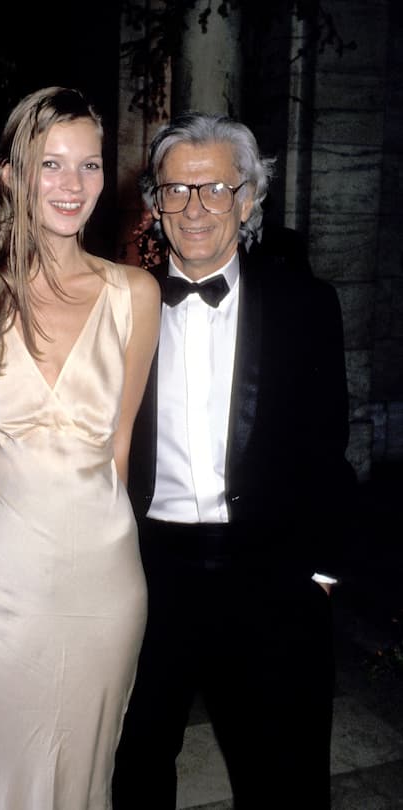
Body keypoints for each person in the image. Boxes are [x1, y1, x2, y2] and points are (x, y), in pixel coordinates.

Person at [112, 112, 357, 809]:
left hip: (270, 572)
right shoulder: (120, 307)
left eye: (215, 189)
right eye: (176, 191)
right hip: (147, 570)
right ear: (155, 203)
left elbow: (326, 447)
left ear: (248, 199)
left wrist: (324, 573)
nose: (195, 210)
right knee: (135, 764)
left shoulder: (306, 305)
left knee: (284, 773)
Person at [0, 85, 160, 810]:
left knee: (84, 778)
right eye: (50, 164)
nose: (72, 185)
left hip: (105, 582)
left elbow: (120, 445)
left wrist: (85, 535)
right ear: (11, 175)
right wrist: (17, 532)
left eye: (89, 166)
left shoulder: (135, 294)